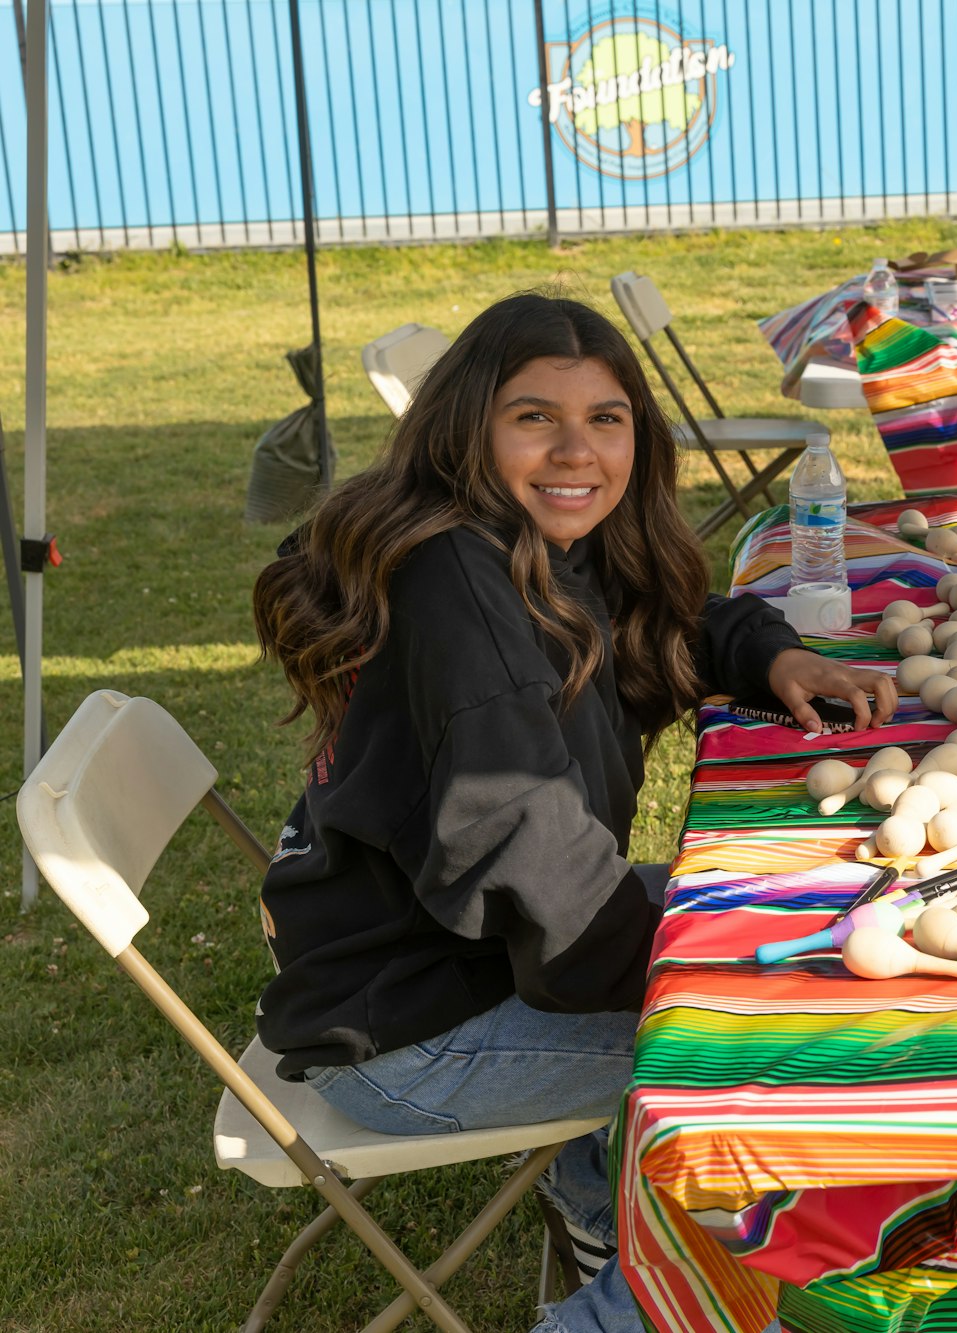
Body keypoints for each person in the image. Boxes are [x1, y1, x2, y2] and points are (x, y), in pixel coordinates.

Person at [249, 292, 894, 1333]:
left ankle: (600, 1199)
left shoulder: (531, 541)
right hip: (407, 1035)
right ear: (469, 426)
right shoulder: (459, 594)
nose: (577, 448)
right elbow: (554, 900)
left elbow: (672, 612)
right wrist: (751, 955)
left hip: (433, 961)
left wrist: (769, 652)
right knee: (779, 1057)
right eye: (533, 416)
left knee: (766, 965)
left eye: (606, 418)